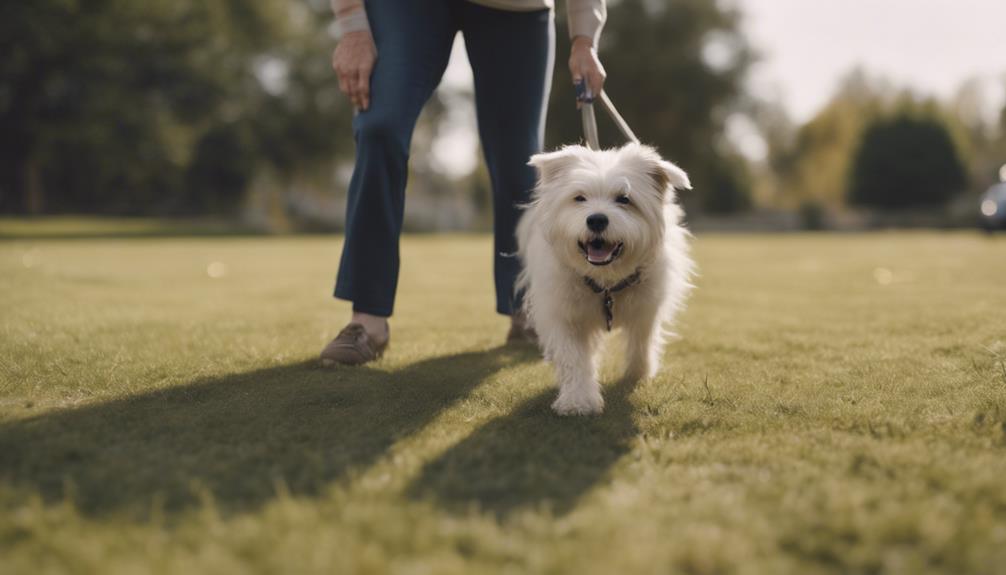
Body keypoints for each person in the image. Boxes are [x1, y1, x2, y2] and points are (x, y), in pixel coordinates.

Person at [321, 0, 608, 366]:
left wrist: (585, 37)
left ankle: (527, 309)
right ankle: (367, 320)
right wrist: (352, 26)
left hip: (515, 10)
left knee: (520, 164)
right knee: (380, 127)